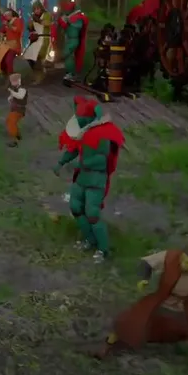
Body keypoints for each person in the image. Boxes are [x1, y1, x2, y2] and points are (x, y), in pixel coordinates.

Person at [91, 237, 188, 375]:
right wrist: (144, 279)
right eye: (183, 260)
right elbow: (146, 263)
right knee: (129, 318)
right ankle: (108, 345)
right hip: (162, 300)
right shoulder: (170, 257)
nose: (184, 265)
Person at [56, 96, 126, 263]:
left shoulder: (103, 135)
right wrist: (61, 162)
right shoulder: (83, 132)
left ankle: (103, 249)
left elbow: (101, 160)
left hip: (96, 179)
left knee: (92, 213)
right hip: (82, 177)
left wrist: (82, 163)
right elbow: (74, 149)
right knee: (75, 207)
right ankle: (89, 239)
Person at [22, 0, 54, 82]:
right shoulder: (34, 17)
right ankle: (35, 74)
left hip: (45, 39)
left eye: (38, 9)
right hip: (37, 39)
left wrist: (37, 20)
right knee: (28, 56)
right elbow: (30, 28)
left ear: (41, 8)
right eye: (35, 9)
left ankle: (40, 75)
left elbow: (47, 23)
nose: (36, 11)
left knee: (38, 56)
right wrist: (30, 23)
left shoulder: (47, 14)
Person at [5, 73, 26, 147]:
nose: (12, 83)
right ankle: (17, 135)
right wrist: (10, 97)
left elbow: (20, 96)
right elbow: (13, 95)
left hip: (19, 110)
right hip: (14, 109)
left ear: (19, 80)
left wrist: (12, 92)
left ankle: (15, 140)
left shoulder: (22, 89)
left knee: (11, 122)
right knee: (8, 121)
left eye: (13, 81)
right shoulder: (15, 88)